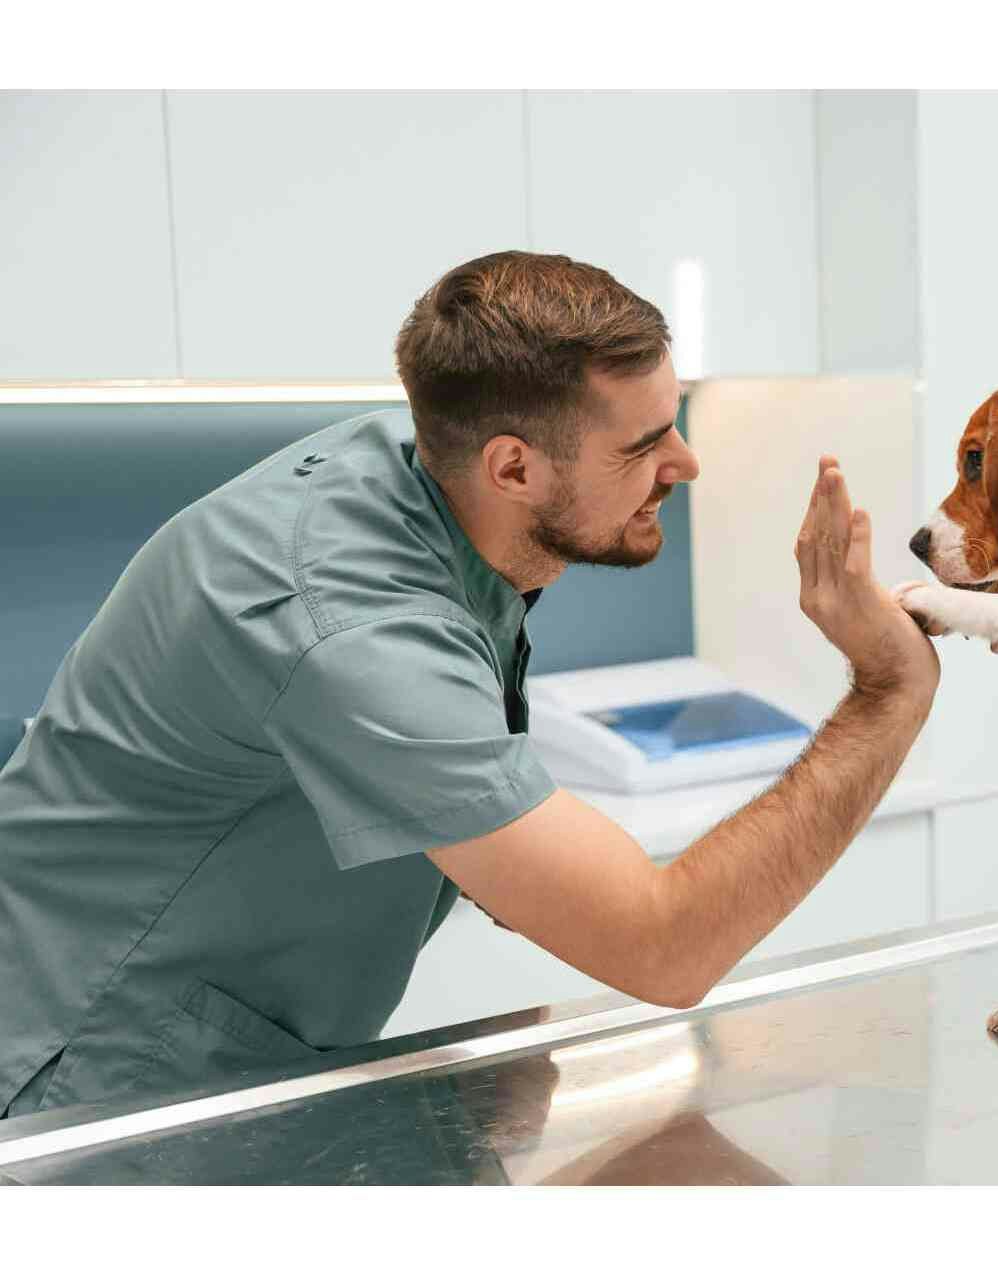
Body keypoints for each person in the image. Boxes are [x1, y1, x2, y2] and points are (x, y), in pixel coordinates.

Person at [0, 250, 939, 1120]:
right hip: (75, 1080)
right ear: (514, 467)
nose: (684, 464)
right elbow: (667, 945)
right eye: (646, 443)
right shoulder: (350, 623)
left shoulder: (430, 484)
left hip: (218, 1062)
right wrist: (888, 690)